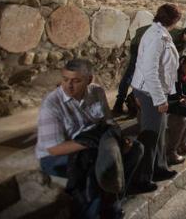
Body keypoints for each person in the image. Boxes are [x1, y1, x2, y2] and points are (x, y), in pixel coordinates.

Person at [36, 59, 143, 217]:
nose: (68, 86)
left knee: (135, 149)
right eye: (65, 79)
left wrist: (119, 140)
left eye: (76, 81)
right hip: (58, 155)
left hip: (96, 141)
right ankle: (96, 212)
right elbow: (53, 149)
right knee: (94, 162)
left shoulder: (96, 91)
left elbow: (108, 121)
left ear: (89, 80)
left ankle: (113, 198)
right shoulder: (52, 103)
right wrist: (90, 144)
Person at [130, 4, 181, 193]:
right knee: (150, 135)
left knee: (159, 133)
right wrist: (160, 99)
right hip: (150, 92)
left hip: (155, 90)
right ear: (174, 20)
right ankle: (142, 178)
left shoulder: (161, 33)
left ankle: (158, 168)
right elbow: (150, 70)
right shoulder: (157, 37)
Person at [113, 24, 186, 116]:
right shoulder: (170, 37)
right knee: (131, 74)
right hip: (140, 44)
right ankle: (119, 103)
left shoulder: (184, 39)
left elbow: (185, 51)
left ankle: (133, 99)